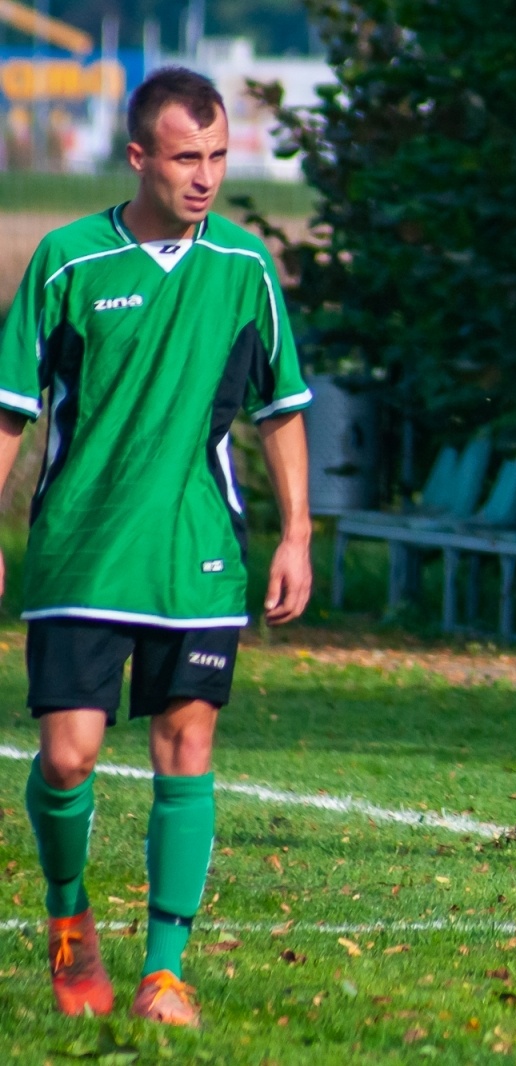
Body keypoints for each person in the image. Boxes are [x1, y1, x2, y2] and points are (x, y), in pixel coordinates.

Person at [0, 67, 314, 1026]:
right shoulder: (66, 261)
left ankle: (164, 973)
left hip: (197, 554)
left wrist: (296, 533)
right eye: (187, 157)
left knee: (188, 743)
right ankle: (68, 919)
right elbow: (10, 413)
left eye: (219, 156)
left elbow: (283, 411)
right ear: (138, 156)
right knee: (67, 758)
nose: (206, 176)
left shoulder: (245, 269)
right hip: (84, 551)